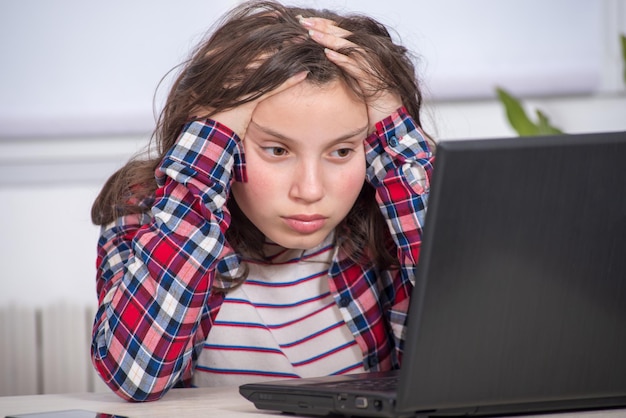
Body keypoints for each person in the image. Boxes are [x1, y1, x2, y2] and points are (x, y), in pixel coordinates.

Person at [90, 0, 435, 402]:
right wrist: (211, 131)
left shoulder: (385, 219)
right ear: (223, 139)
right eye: (276, 150)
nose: (309, 190)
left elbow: (465, 350)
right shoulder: (147, 214)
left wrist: (398, 140)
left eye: (341, 152)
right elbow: (134, 377)